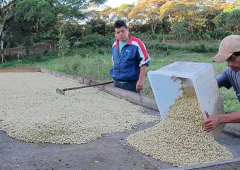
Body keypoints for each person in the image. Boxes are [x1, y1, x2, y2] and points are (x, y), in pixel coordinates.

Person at [202, 35, 240, 132]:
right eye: (227, 60)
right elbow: (211, 86)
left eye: (232, 59)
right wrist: (184, 81)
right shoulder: (230, 71)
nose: (230, 64)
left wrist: (219, 118)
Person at [109, 20, 151, 93]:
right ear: (115, 34)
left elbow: (144, 61)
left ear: (127, 30)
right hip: (117, 82)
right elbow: (114, 61)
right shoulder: (114, 45)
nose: (121, 34)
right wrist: (114, 76)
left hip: (131, 83)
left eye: (123, 31)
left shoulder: (136, 43)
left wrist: (141, 80)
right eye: (118, 32)